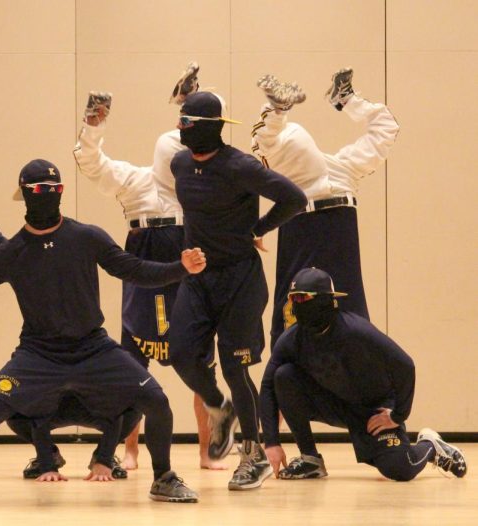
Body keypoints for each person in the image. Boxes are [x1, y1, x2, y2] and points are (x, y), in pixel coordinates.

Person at [0, 159, 207, 504]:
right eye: (36, 191)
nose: (44, 196)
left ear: (60, 193)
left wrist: (180, 268)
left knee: (157, 401)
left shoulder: (87, 237)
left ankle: (163, 477)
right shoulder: (10, 253)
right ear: (24, 197)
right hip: (38, 354)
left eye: (52, 190)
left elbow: (136, 270)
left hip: (95, 349)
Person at [73, 62, 224, 471]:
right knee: (131, 361)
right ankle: (131, 448)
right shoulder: (136, 180)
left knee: (200, 364)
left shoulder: (197, 186)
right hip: (143, 257)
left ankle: (207, 452)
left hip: (186, 259)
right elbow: (91, 163)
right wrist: (93, 127)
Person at [166, 91, 307, 490]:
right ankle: (218, 407)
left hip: (240, 279)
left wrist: (257, 229)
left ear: (209, 127)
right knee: (180, 354)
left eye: (187, 123)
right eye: (180, 120)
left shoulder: (239, 166)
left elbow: (293, 198)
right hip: (198, 279)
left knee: (234, 365)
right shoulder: (179, 163)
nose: (179, 128)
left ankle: (254, 455)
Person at [260, 267, 467, 481]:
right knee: (283, 376)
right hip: (334, 402)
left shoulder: (356, 331)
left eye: (304, 297)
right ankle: (310, 458)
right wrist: (272, 442)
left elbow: (405, 365)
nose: (298, 305)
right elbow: (267, 387)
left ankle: (430, 446)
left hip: (372, 410)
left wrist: (397, 415)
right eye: (294, 298)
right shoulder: (291, 340)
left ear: (326, 301)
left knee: (400, 468)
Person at [251, 68, 400, 347]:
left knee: (344, 313)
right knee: (301, 315)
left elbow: (386, 128)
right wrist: (276, 108)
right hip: (309, 216)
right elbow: (263, 140)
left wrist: (347, 100)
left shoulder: (338, 167)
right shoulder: (281, 157)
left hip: (331, 205)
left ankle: (340, 96)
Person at [9, 393, 142, 481]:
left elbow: (117, 398)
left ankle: (103, 458)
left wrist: (104, 459)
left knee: (133, 408)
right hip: (54, 406)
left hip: (94, 406)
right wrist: (47, 464)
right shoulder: (41, 352)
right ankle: (50, 456)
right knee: (11, 410)